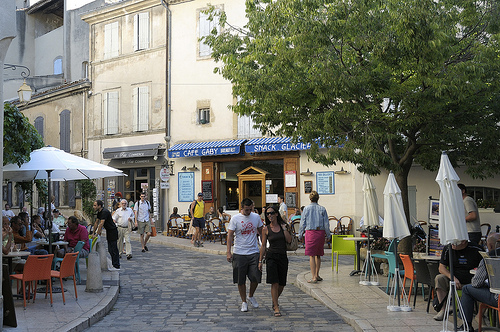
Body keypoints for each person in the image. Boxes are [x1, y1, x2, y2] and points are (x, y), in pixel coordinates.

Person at [226, 198, 263, 312]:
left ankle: (250, 295)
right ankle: (244, 302)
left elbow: (261, 232)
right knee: (240, 279)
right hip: (239, 252)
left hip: (253, 251)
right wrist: (228, 251)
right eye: (246, 210)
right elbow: (230, 236)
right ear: (242, 208)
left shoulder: (256, 217)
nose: (248, 212)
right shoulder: (235, 219)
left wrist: (263, 248)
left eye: (250, 209)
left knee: (256, 277)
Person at [433, 239, 483, 321]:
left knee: (483, 284)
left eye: (454, 243)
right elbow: (441, 268)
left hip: (472, 281)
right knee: (439, 278)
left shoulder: (476, 249)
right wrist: (452, 278)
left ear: (463, 241)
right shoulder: (448, 248)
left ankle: (479, 314)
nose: (452, 245)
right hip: (453, 280)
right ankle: (443, 310)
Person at [460, 233, 500, 332]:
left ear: (490, 246)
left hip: (498, 298)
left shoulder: (489, 258)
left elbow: (476, 283)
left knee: (467, 289)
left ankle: (466, 326)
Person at [259, 205, 292, 317]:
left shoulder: (283, 226)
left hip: (282, 257)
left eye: (272, 213)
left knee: (282, 284)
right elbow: (263, 246)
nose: (269, 216)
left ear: (276, 214)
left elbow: (289, 240)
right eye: (267, 214)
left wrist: (284, 229)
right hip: (271, 256)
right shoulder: (266, 229)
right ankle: (276, 306)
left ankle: (274, 300)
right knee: (275, 282)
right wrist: (260, 260)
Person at [298, 191, 330, 283]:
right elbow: (326, 224)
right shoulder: (322, 209)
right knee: (318, 255)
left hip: (310, 233)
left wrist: (300, 234)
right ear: (318, 198)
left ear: (310, 198)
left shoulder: (306, 209)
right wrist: (328, 235)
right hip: (320, 232)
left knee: (311, 255)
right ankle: (317, 274)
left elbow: (302, 223)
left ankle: (313, 277)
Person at [93, 200, 120, 271]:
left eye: (95, 205)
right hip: (109, 231)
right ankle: (114, 264)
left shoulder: (104, 212)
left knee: (113, 249)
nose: (94, 207)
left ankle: (116, 265)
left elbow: (101, 224)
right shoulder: (99, 212)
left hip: (113, 231)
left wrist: (97, 234)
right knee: (110, 249)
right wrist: (93, 232)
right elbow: (96, 222)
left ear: (99, 206)